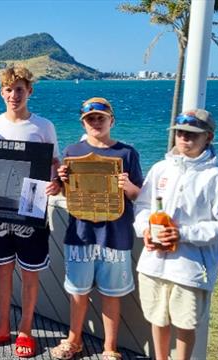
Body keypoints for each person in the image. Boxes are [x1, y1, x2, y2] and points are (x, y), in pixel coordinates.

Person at [133, 109, 218, 360]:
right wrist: (145, 229)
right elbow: (142, 207)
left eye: (193, 134)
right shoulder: (160, 168)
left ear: (209, 137)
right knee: (157, 318)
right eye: (180, 133)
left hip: (191, 268)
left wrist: (182, 233)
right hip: (153, 263)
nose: (185, 139)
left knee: (185, 323)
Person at [0, 65, 60, 358]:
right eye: (8, 90)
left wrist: (57, 183)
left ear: (29, 91)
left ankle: (25, 330)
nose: (14, 95)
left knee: (30, 272)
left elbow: (54, 164)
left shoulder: (44, 126)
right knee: (3, 269)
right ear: (1, 92)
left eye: (19, 89)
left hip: (32, 208)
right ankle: (1, 328)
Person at [50, 97, 143, 360]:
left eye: (101, 118)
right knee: (78, 292)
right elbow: (67, 192)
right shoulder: (72, 152)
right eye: (91, 118)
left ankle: (110, 348)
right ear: (83, 122)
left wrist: (128, 188)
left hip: (115, 235)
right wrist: (62, 181)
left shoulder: (127, 154)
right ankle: (74, 340)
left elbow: (139, 195)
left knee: (111, 294)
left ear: (111, 120)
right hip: (80, 234)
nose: (96, 122)